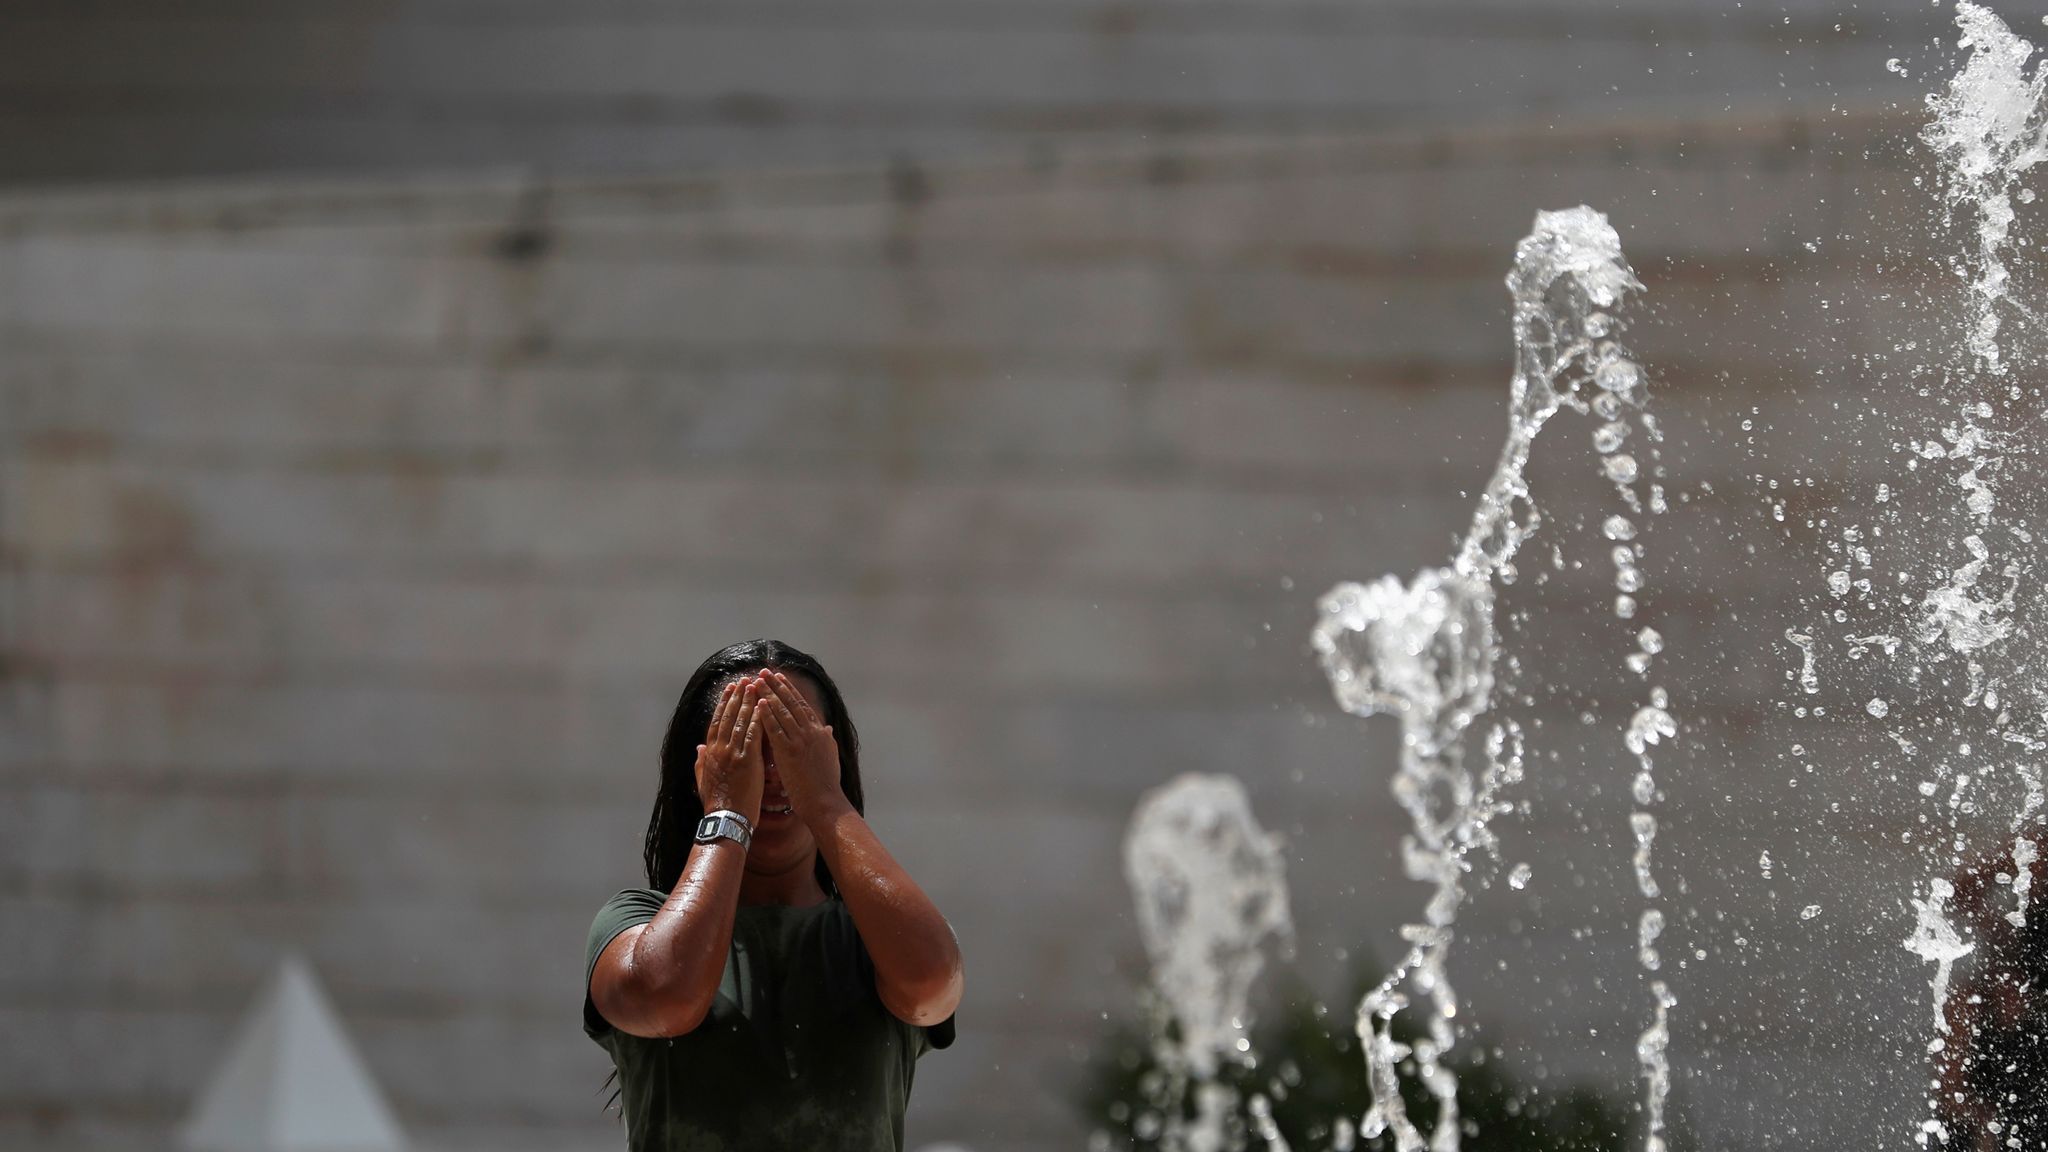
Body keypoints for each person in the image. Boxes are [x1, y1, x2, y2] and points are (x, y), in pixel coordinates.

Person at [582, 639, 965, 1150]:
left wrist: (825, 801)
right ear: (702, 770)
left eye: (794, 739)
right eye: (744, 743)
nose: (773, 770)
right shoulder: (633, 921)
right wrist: (728, 811)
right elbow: (665, 998)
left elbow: (933, 987)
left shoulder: (876, 935)